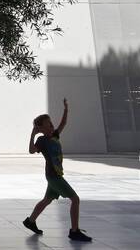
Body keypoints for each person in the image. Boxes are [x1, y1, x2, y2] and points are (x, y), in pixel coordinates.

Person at [23, 98, 91, 241]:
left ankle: (30, 221)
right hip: (54, 177)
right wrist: (32, 134)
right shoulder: (41, 141)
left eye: (51, 124)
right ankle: (74, 231)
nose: (52, 126)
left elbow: (63, 123)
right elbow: (31, 150)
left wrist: (66, 109)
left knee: (47, 200)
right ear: (40, 129)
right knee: (75, 199)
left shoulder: (54, 135)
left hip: (54, 175)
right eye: (48, 125)